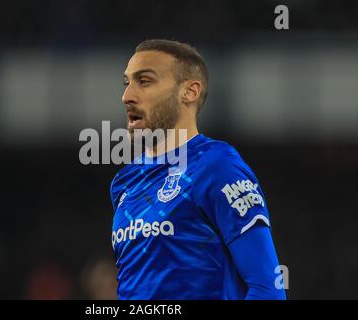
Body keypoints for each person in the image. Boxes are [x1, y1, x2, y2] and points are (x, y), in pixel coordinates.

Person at [110, 39, 286, 300]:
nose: (127, 96)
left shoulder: (216, 165)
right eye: (127, 83)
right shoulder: (124, 183)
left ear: (189, 92)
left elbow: (268, 288)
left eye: (144, 81)